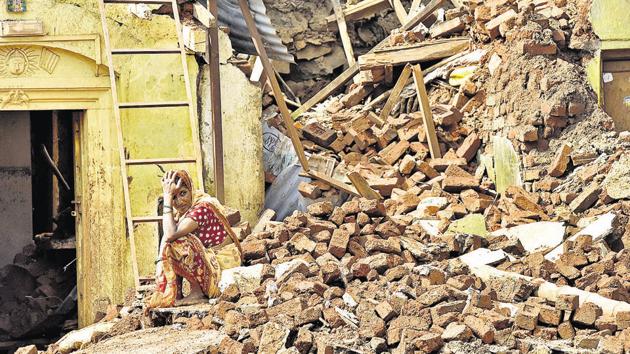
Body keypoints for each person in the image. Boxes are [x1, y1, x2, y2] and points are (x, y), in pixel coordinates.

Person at [148, 170, 242, 308]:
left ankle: (198, 294)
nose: (179, 202)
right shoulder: (183, 212)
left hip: (220, 270)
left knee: (178, 242)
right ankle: (177, 294)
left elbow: (170, 235)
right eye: (174, 197)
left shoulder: (202, 207)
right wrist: (159, 263)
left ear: (191, 189)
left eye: (183, 193)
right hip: (209, 263)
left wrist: (167, 197)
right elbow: (165, 239)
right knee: (171, 244)